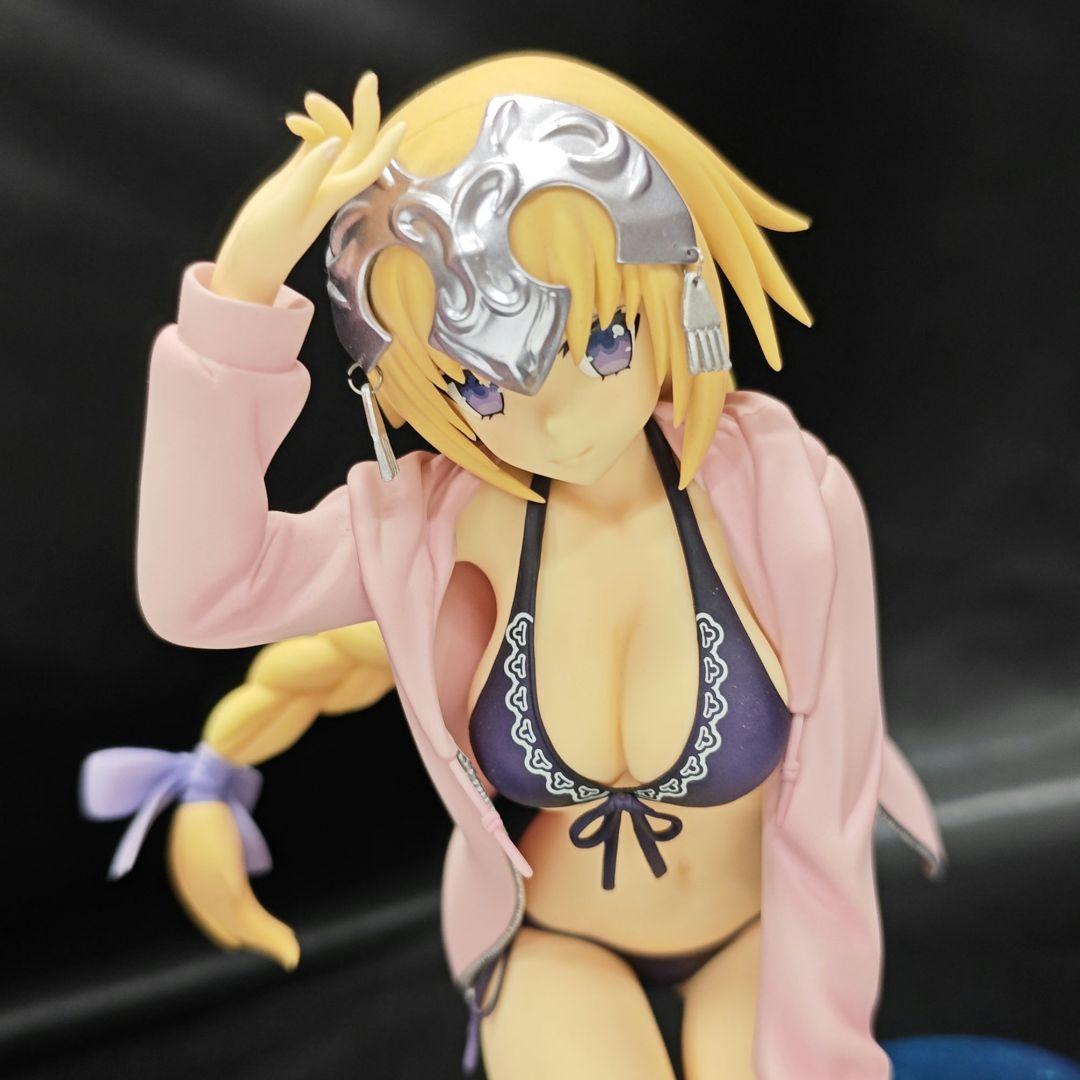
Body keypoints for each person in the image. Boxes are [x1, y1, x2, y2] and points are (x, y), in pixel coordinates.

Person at [80, 52, 946, 1079]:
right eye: (481, 388)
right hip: (558, 943)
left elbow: (831, 804)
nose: (558, 420)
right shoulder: (437, 525)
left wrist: (825, 1044)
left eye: (604, 341)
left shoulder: (785, 499)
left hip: (767, 933)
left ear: (674, 290)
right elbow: (202, 592)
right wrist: (240, 296)